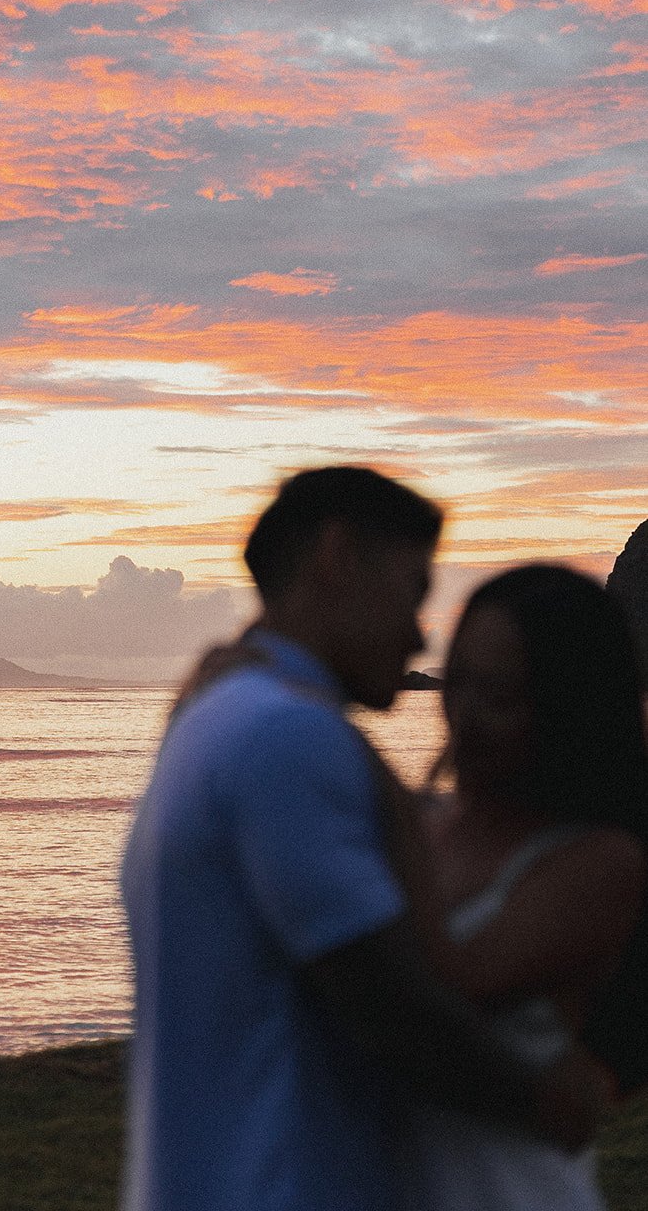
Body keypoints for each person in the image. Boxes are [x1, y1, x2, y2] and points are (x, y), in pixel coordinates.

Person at [120, 467, 609, 1211]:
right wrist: (539, 1099)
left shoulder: (218, 718)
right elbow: (389, 1001)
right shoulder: (290, 737)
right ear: (339, 557)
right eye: (413, 592)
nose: (418, 633)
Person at [394, 564, 648, 1210]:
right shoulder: (421, 822)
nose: (466, 717)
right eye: (461, 682)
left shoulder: (596, 862)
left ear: (569, 710)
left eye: (502, 697)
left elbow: (428, 995)